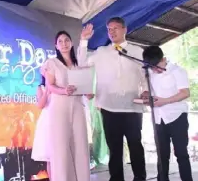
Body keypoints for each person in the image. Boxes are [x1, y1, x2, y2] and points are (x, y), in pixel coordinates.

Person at [78, 17, 147, 181]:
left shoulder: (137, 51)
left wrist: (145, 91)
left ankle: (140, 177)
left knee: (135, 145)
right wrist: (83, 41)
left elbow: (146, 76)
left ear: (125, 29)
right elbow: (81, 64)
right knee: (114, 149)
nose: (112, 32)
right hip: (109, 108)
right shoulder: (101, 52)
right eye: (109, 29)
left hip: (132, 108)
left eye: (115, 28)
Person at [42, 30, 92, 181]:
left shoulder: (78, 64)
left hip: (77, 106)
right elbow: (49, 87)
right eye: (60, 42)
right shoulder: (52, 63)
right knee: (61, 147)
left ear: (71, 43)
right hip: (59, 107)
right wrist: (63, 90)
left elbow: (85, 84)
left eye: (66, 40)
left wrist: (88, 91)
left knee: (80, 144)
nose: (64, 44)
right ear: (56, 46)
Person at [142, 45, 193, 181]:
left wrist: (165, 101)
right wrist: (146, 96)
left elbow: (185, 93)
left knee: (181, 153)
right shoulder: (150, 74)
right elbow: (153, 93)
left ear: (163, 58)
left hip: (177, 117)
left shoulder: (177, 71)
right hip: (158, 118)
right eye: (151, 67)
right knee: (162, 154)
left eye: (156, 66)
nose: (155, 70)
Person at [31, 76, 51, 179]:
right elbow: (40, 105)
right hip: (47, 122)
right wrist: (48, 89)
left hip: (60, 118)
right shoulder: (41, 88)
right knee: (50, 157)